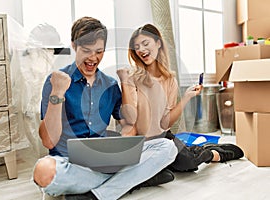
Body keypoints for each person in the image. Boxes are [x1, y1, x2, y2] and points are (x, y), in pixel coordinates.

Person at [33, 17, 178, 200]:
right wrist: (58, 94)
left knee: (166, 147)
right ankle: (129, 181)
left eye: (99, 51)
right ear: (74, 46)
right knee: (43, 171)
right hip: (69, 163)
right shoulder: (55, 81)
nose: (93, 58)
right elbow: (48, 141)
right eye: (86, 51)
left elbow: (128, 125)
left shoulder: (110, 85)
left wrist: (123, 147)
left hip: (104, 161)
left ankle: (96, 195)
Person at [117, 24, 244, 174]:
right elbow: (131, 118)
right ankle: (189, 152)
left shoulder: (169, 80)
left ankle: (213, 153)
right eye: (137, 46)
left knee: (186, 163)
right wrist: (124, 82)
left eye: (146, 44)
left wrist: (186, 98)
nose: (141, 50)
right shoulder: (131, 77)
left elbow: (166, 122)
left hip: (163, 138)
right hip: (140, 143)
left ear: (158, 43)